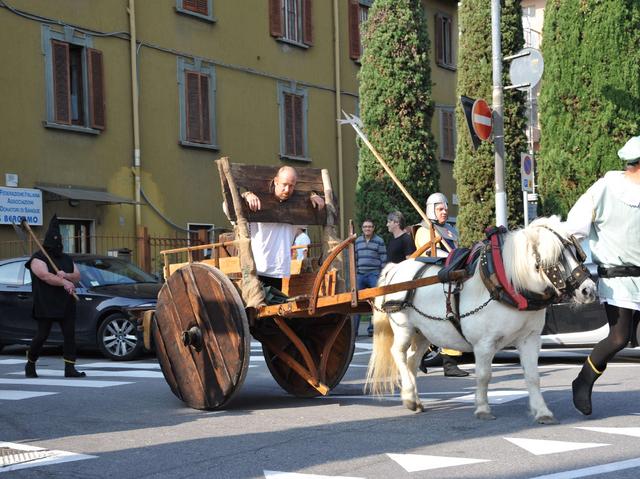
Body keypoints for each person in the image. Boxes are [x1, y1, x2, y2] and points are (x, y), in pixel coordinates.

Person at [564, 135, 640, 416]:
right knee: (619, 337)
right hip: (617, 277)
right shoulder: (606, 188)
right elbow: (575, 227)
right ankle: (582, 381)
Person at [241, 166, 325, 292]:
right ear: (275, 181)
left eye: (291, 186)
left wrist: (312, 195)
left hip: (280, 270)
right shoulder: (257, 203)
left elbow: (313, 210)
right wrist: (246, 194)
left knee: (275, 309)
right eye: (284, 184)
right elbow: (227, 207)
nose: (287, 189)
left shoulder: (298, 210)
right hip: (257, 269)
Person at [415, 193, 469, 377]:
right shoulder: (424, 230)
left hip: (450, 276)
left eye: (446, 208)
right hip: (432, 279)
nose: (445, 211)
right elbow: (430, 255)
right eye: (440, 209)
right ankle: (427, 359)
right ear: (432, 210)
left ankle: (449, 364)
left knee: (451, 318)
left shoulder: (449, 230)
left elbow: (456, 250)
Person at [24, 215, 86, 378]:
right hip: (46, 302)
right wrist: (63, 282)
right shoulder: (38, 258)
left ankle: (70, 368)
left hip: (66, 302)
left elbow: (77, 275)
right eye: (54, 240)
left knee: (69, 335)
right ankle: (30, 363)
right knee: (42, 335)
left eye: (59, 240)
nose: (57, 244)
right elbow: (45, 276)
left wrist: (66, 275)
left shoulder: (66, 258)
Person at [354, 219, 387, 336]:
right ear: (362, 228)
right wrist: (355, 273)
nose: (367, 229)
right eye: (365, 227)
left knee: (377, 302)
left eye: (370, 227)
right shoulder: (357, 241)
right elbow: (355, 259)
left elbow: (383, 259)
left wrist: (381, 275)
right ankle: (354, 331)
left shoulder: (379, 241)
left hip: (374, 275)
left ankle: (372, 329)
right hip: (360, 275)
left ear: (373, 228)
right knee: (356, 302)